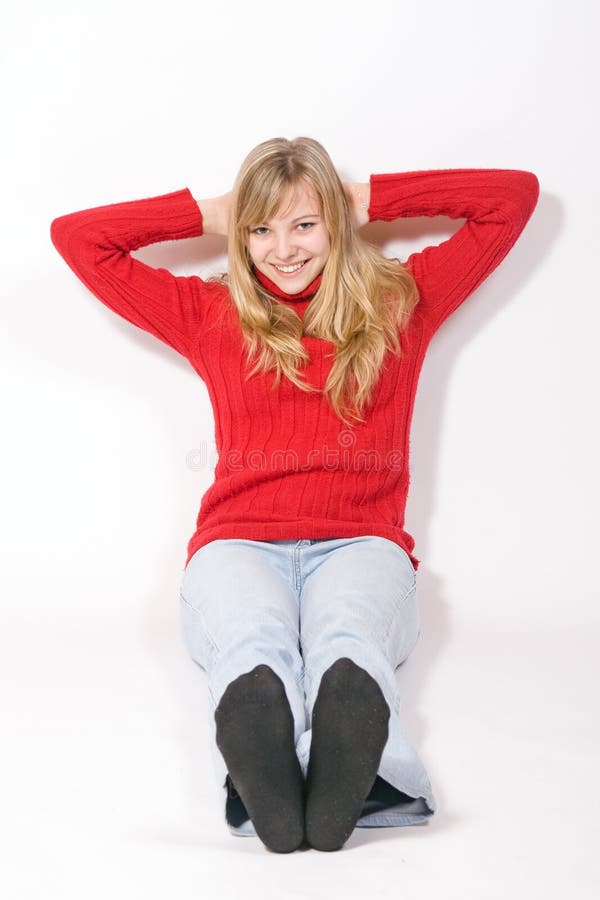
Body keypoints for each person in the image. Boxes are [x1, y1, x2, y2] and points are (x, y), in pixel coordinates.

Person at [50, 137, 540, 854]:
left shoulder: (402, 301)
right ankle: (293, 771)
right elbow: (79, 240)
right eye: (261, 229)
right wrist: (217, 211)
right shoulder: (211, 313)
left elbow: (511, 200)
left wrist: (361, 200)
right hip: (237, 544)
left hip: (362, 541)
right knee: (251, 638)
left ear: (337, 225)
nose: (281, 249)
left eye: (303, 225)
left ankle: (341, 771)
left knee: (350, 634)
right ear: (240, 235)